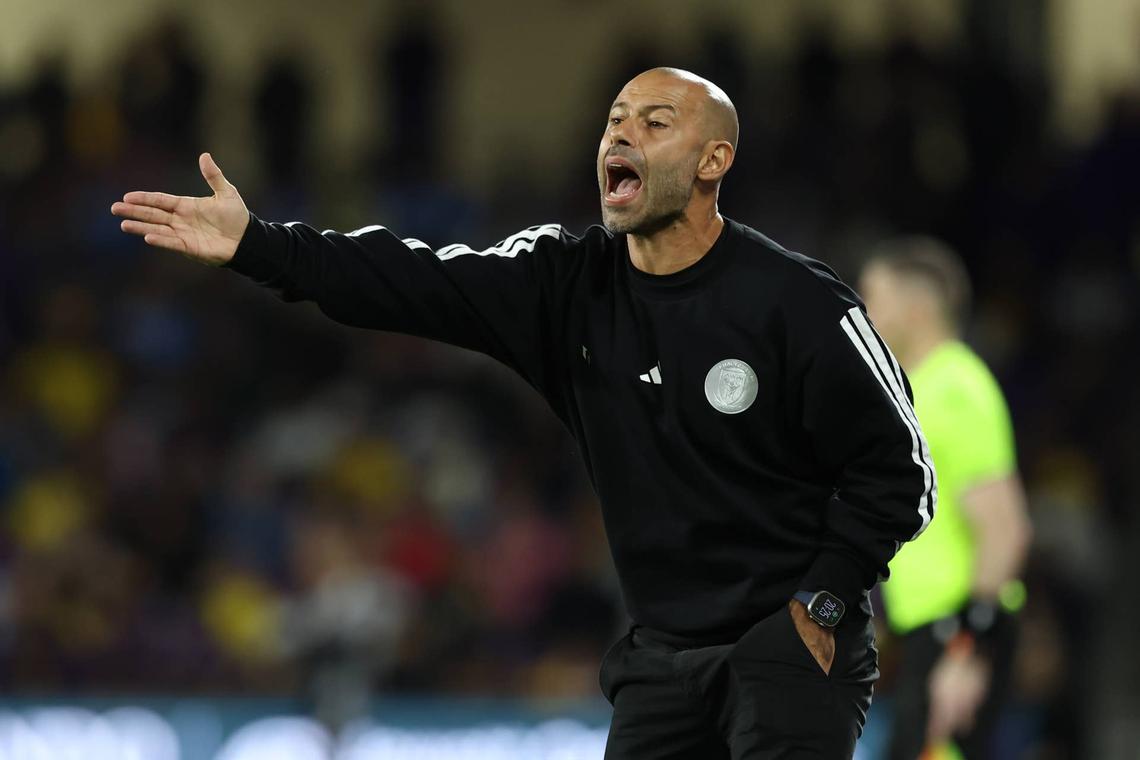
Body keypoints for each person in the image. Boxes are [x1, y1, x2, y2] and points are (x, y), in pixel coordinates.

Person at [112, 67, 936, 759]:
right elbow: (411, 278)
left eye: (655, 123)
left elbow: (903, 473)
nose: (621, 137)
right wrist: (260, 245)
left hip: (784, 646)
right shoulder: (565, 285)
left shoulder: (793, 300)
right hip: (660, 654)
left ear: (714, 159)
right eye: (615, 121)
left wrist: (823, 604)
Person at [859, 239, 1031, 760]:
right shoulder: (921, 387)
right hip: (929, 634)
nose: (863, 314)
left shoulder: (958, 388)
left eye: (873, 299)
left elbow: (1006, 531)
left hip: (958, 633)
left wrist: (964, 653)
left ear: (917, 307)